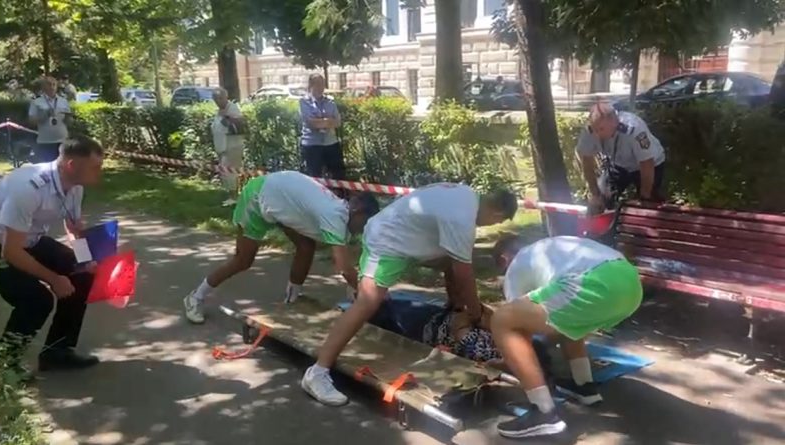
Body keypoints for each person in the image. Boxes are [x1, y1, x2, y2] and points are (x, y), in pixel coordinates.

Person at [301, 183, 518, 406]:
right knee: (368, 302)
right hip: (388, 242)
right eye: (497, 222)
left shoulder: (465, 196)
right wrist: (477, 314)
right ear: (497, 213)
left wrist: (461, 306)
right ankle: (317, 373)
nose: (491, 225)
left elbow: (456, 264)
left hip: (402, 233)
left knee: (451, 260)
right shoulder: (462, 217)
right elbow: (465, 275)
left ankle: (453, 306)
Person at [489, 235, 643, 439]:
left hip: (594, 284)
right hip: (630, 283)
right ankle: (584, 387)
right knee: (564, 316)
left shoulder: (516, 266)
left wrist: (509, 361)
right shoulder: (550, 248)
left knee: (502, 320)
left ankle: (544, 413)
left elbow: (519, 328)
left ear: (504, 259)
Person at [183, 170, 380, 324]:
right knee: (243, 260)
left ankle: (291, 299)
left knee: (306, 246)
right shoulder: (334, 217)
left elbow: (346, 261)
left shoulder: (340, 211)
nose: (363, 229)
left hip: (279, 197)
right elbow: (344, 268)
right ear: (357, 210)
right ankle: (195, 297)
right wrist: (365, 295)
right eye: (365, 223)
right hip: (257, 198)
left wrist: (353, 285)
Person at [0, 137, 104, 374]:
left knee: (82, 274)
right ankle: (4, 367)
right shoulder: (28, 188)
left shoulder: (75, 187)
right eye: (95, 167)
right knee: (37, 300)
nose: (100, 172)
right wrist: (54, 279)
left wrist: (85, 259)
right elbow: (11, 251)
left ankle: (57, 352)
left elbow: (73, 228)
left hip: (28, 239)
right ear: (71, 165)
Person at [576, 102, 666, 211]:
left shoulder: (634, 129)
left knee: (648, 204)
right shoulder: (590, 130)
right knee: (601, 199)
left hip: (649, 165)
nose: (597, 134)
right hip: (619, 163)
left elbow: (647, 162)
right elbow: (587, 162)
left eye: (601, 129)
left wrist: (644, 197)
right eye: (594, 129)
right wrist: (595, 194)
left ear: (614, 123)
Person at [299, 74, 344, 181]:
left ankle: (337, 192)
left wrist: (321, 121)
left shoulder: (330, 101)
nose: (321, 87)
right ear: (311, 85)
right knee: (314, 178)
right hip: (312, 144)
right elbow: (312, 123)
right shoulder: (304, 102)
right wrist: (328, 121)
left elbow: (337, 122)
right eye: (318, 84)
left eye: (323, 84)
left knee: (339, 176)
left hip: (331, 143)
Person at [211, 87, 246, 207]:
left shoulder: (232, 108)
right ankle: (232, 195)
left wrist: (226, 118)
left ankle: (234, 197)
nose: (218, 101)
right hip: (223, 146)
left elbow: (239, 124)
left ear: (226, 97)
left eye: (220, 98)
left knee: (229, 171)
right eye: (215, 99)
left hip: (232, 145)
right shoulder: (220, 110)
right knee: (226, 171)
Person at [29, 76, 72, 163]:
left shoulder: (63, 101)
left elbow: (69, 121)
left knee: (63, 166)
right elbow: (31, 121)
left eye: (54, 84)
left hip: (62, 140)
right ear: (43, 87)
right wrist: (44, 116)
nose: (52, 87)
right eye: (49, 84)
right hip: (45, 142)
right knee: (47, 168)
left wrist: (69, 118)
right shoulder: (36, 102)